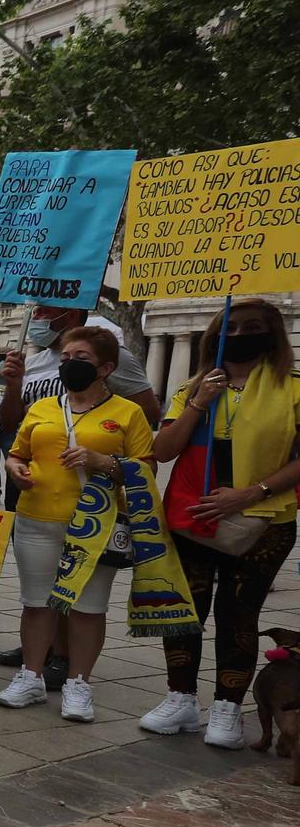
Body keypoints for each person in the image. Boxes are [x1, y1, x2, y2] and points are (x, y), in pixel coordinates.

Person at [142, 299, 300, 747]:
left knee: (238, 615)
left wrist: (252, 493)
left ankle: (227, 707)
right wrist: (198, 403)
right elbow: (164, 449)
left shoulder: (292, 389)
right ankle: (181, 698)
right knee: (184, 611)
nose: (241, 334)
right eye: (233, 326)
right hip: (193, 517)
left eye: (253, 327)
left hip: (263, 519)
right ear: (216, 335)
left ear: (271, 335)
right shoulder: (192, 387)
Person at [0, 304, 162, 680]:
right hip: (37, 518)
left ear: (106, 369)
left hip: (94, 523)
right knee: (37, 603)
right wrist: (14, 467)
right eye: (66, 357)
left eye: (80, 358)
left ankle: (77, 682)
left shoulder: (127, 412)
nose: (69, 363)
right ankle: (30, 676)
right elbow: (16, 449)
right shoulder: (40, 408)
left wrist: (103, 462)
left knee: (87, 608)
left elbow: (147, 468)